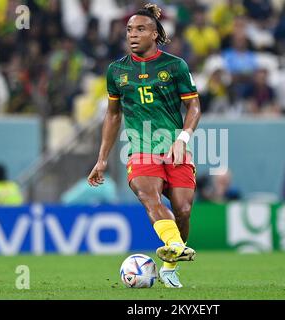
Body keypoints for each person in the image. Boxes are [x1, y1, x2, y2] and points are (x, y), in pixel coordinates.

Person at [88, 3, 201, 288]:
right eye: (129, 30)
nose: (132, 35)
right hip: (140, 147)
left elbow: (194, 107)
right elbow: (112, 115)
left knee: (183, 211)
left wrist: (183, 138)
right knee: (150, 197)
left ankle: (170, 265)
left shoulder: (175, 66)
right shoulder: (116, 71)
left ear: (155, 33)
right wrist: (102, 159)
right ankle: (174, 243)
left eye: (140, 29)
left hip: (175, 148)